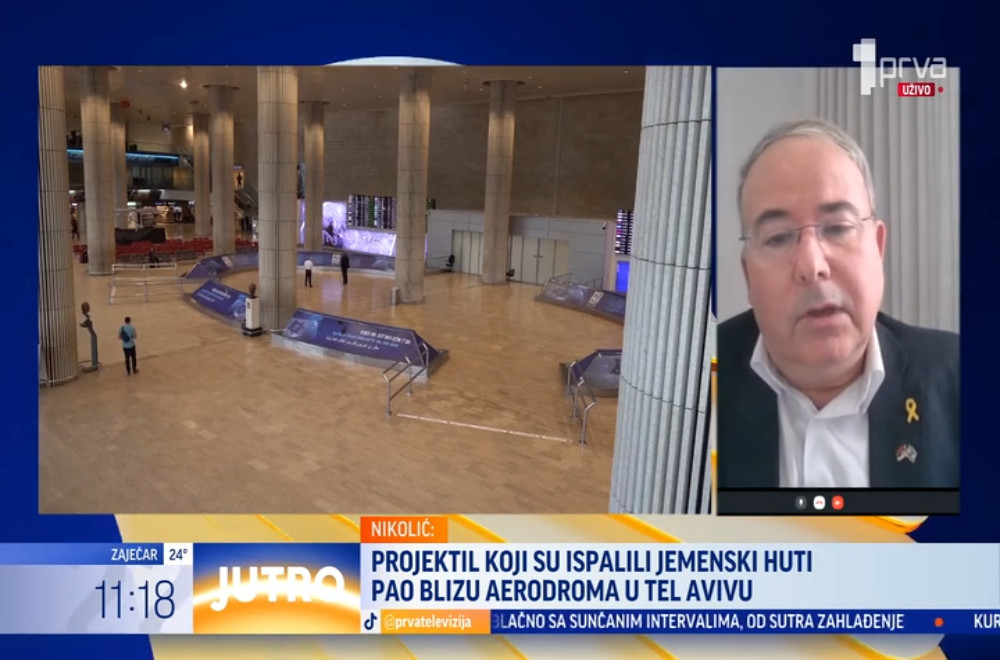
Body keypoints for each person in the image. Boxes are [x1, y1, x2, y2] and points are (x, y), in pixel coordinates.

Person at [717, 118, 959, 490]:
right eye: (778, 237)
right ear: (748, 274)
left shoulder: (961, 379)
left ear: (877, 247)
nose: (812, 266)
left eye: (837, 228)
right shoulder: (696, 382)